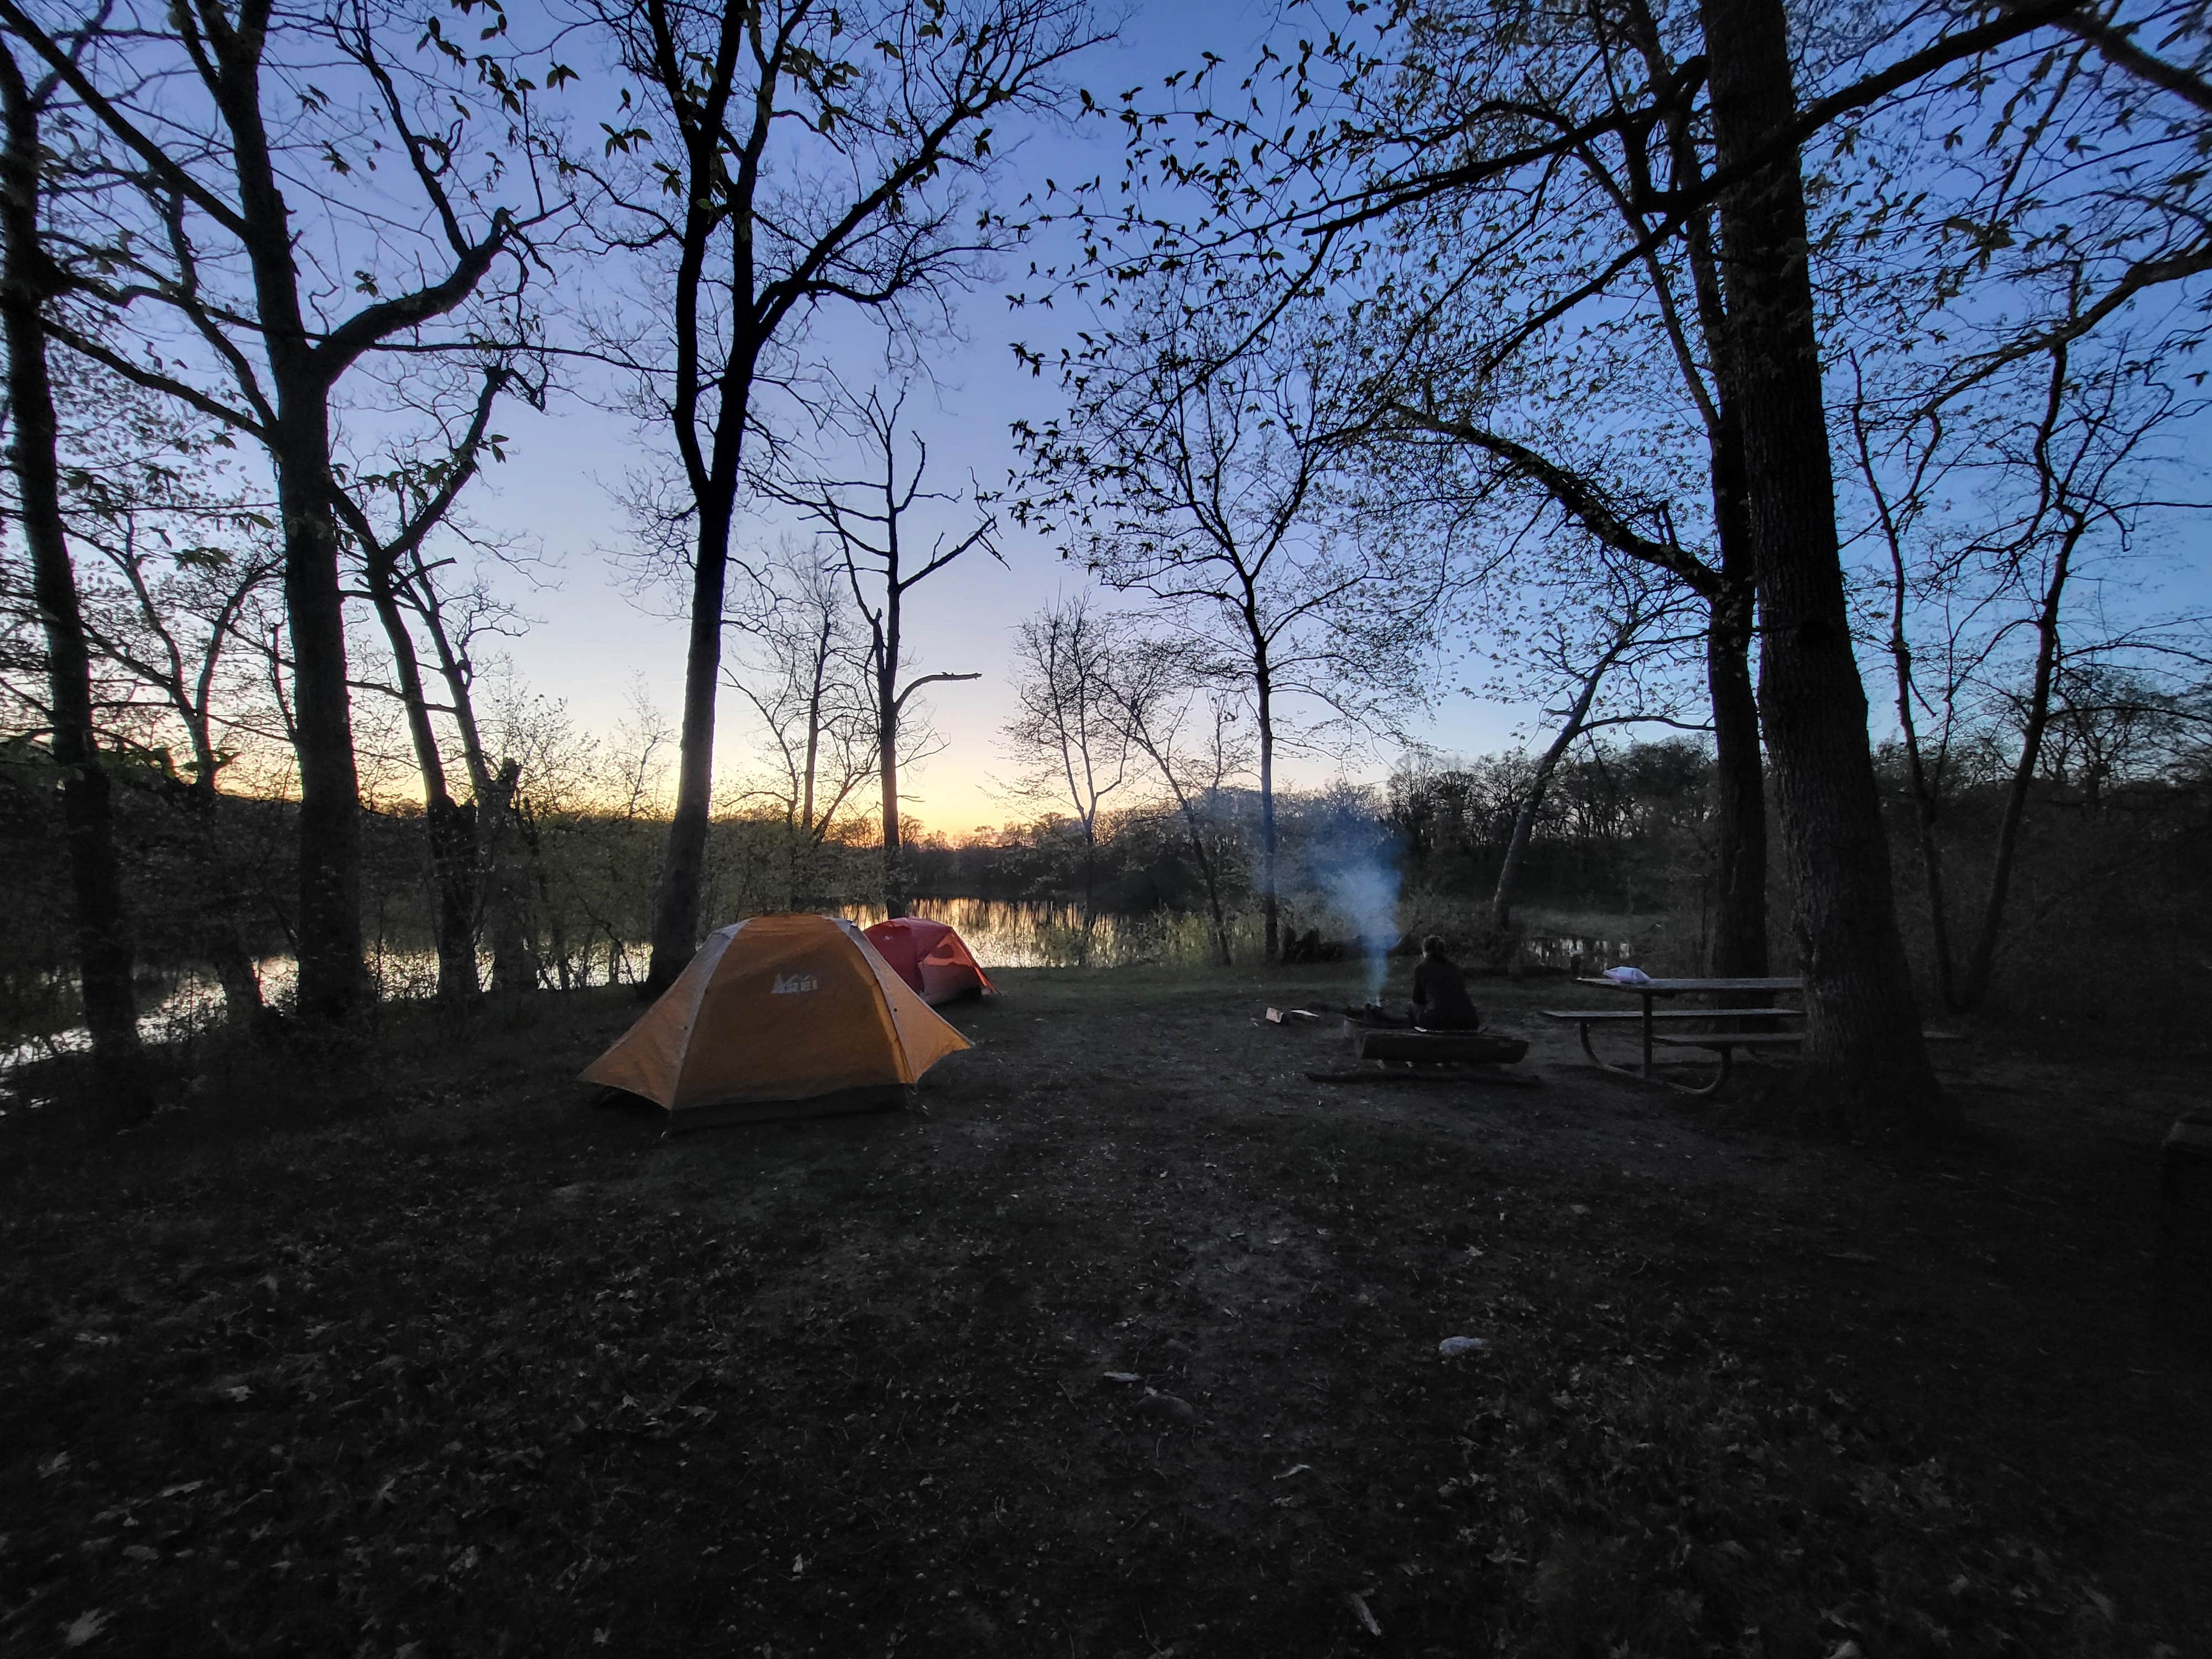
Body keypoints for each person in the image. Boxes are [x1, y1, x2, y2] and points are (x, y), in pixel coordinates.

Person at [1410, 935, 1481, 1031]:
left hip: (1441, 1021)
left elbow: (1418, 1000)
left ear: (1425, 951)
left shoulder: (1421, 968)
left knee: (1414, 1010)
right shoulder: (1454, 967)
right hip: (1470, 1021)